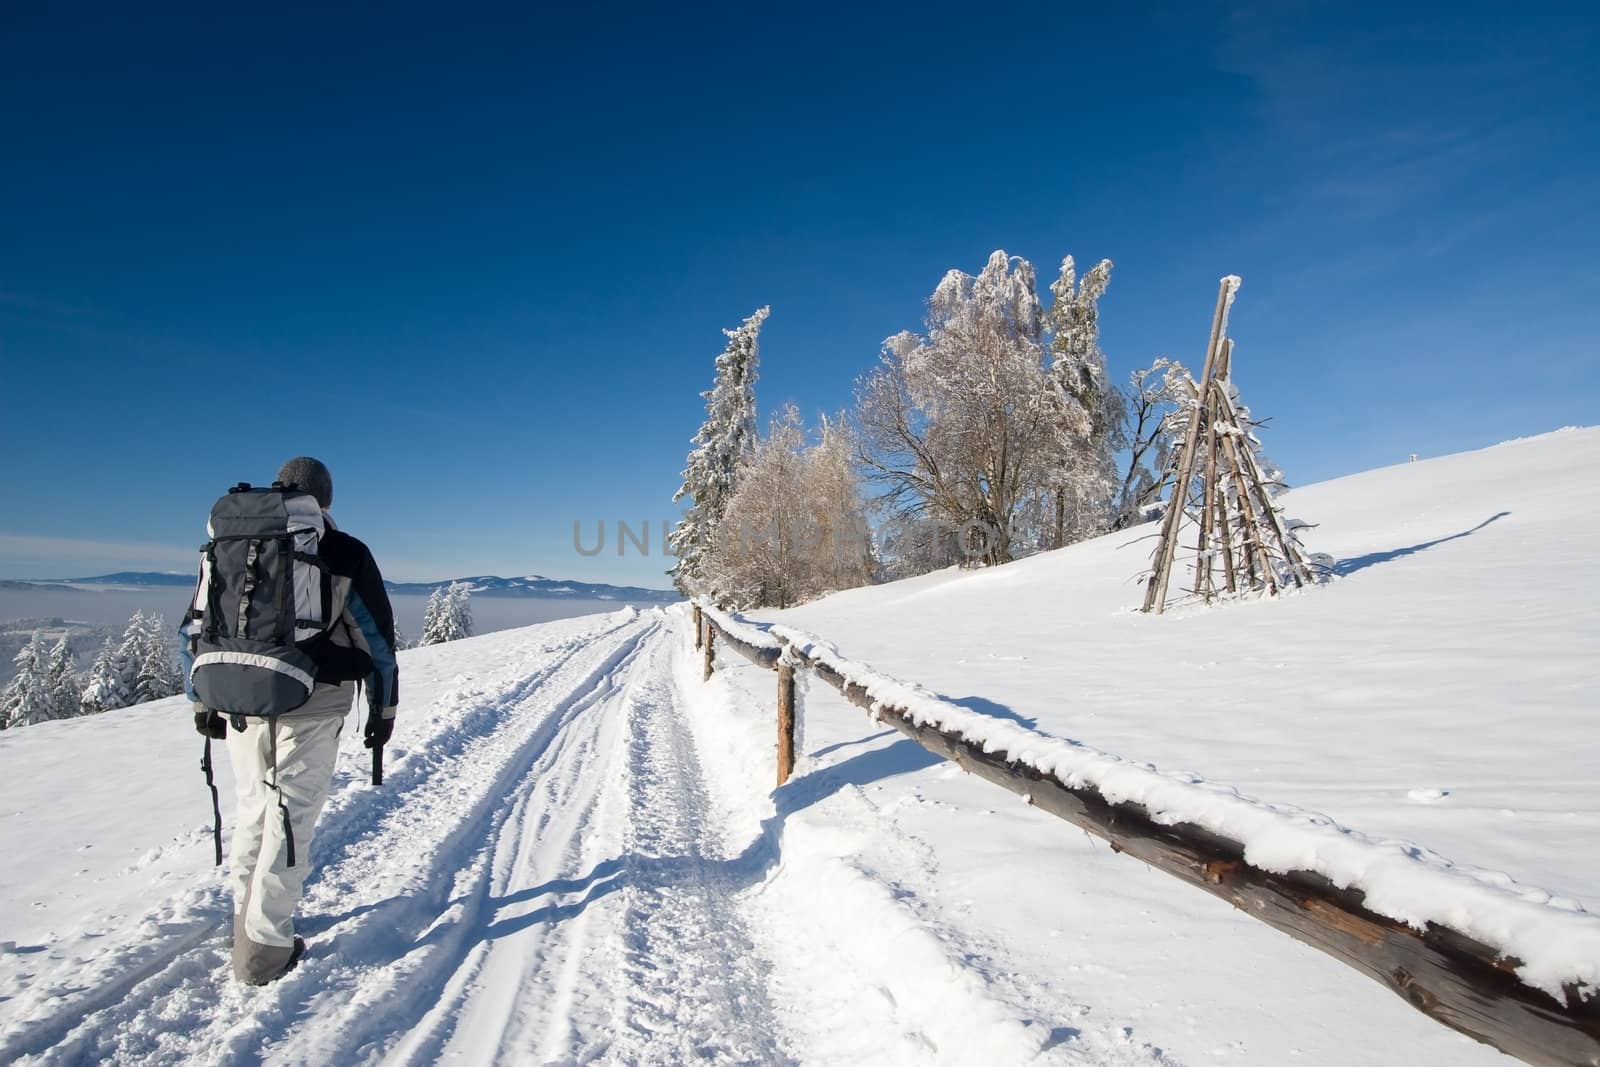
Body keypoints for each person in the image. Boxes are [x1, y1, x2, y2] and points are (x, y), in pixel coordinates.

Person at [182, 456, 399, 985]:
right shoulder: (342, 551)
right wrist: (384, 708)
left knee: (255, 812)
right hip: (314, 704)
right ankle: (265, 952)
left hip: (238, 702)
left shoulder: (231, 544)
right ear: (325, 500)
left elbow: (197, 627)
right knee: (289, 820)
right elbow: (377, 641)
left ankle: (246, 925)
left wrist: (202, 702)